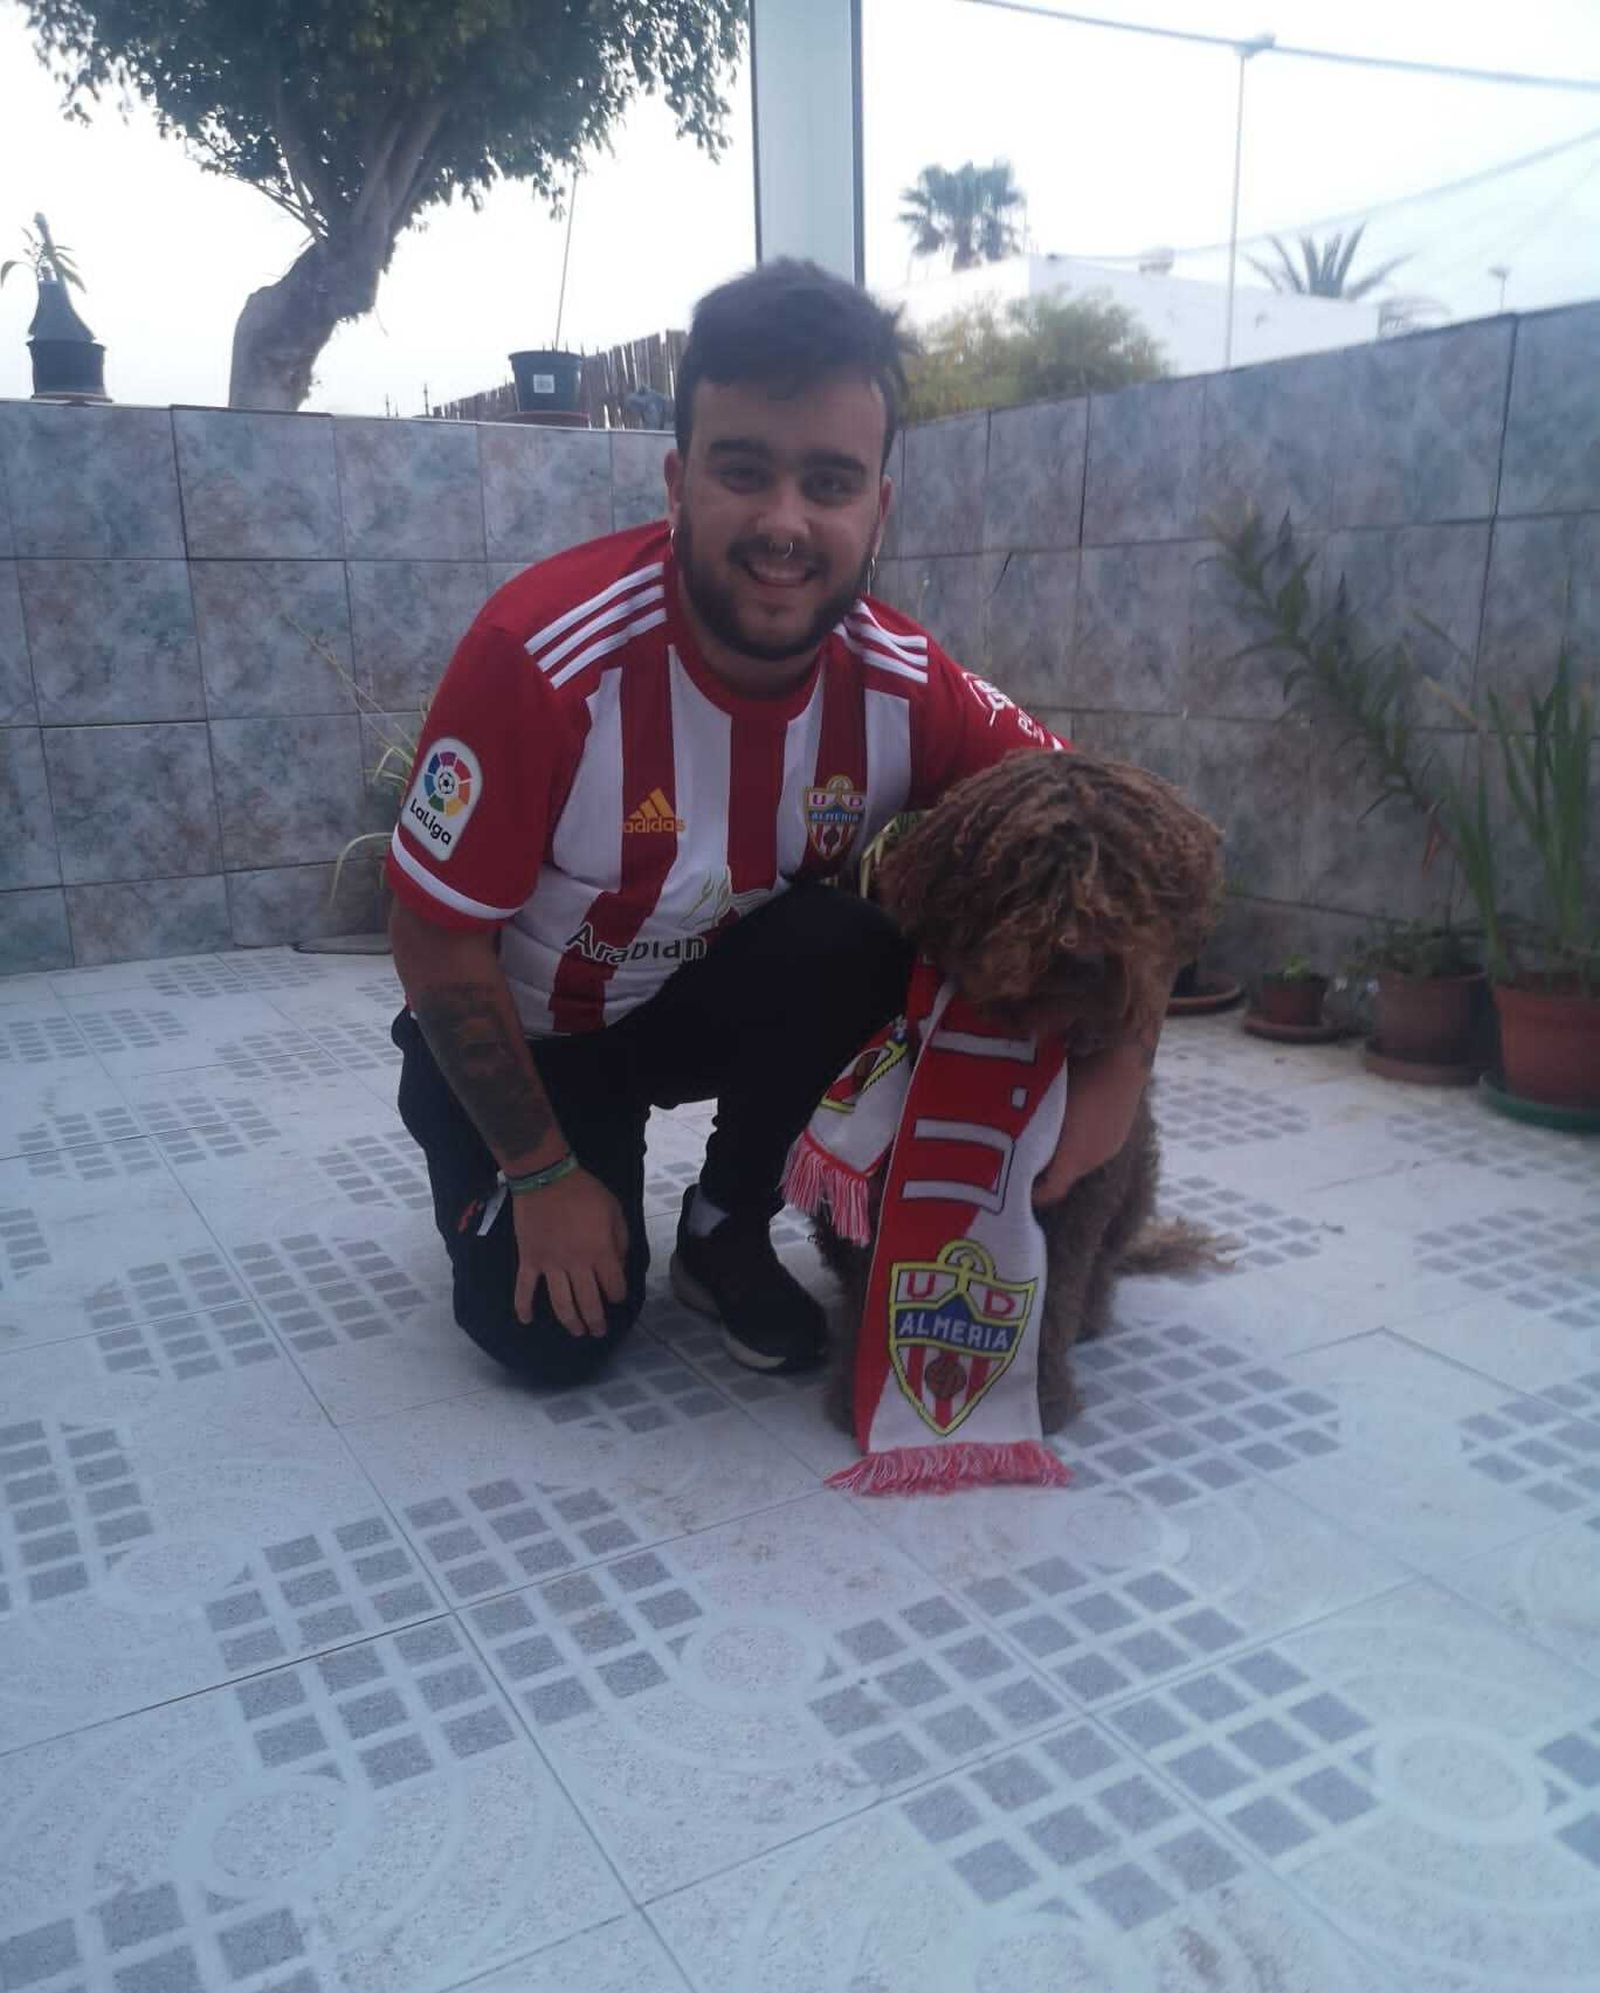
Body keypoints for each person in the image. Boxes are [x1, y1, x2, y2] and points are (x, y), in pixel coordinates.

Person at [388, 258, 1163, 1390]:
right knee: (554, 1340)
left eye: (829, 482)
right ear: (678, 481)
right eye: (744, 471)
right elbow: (431, 931)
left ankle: (725, 1225)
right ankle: (510, 1170)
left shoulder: (903, 684)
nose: (785, 523)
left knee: (855, 947)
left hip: (694, 1004)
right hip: (533, 1035)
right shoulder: (541, 659)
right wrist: (545, 1176)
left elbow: (1113, 838)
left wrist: (1119, 1066)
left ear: (877, 508)